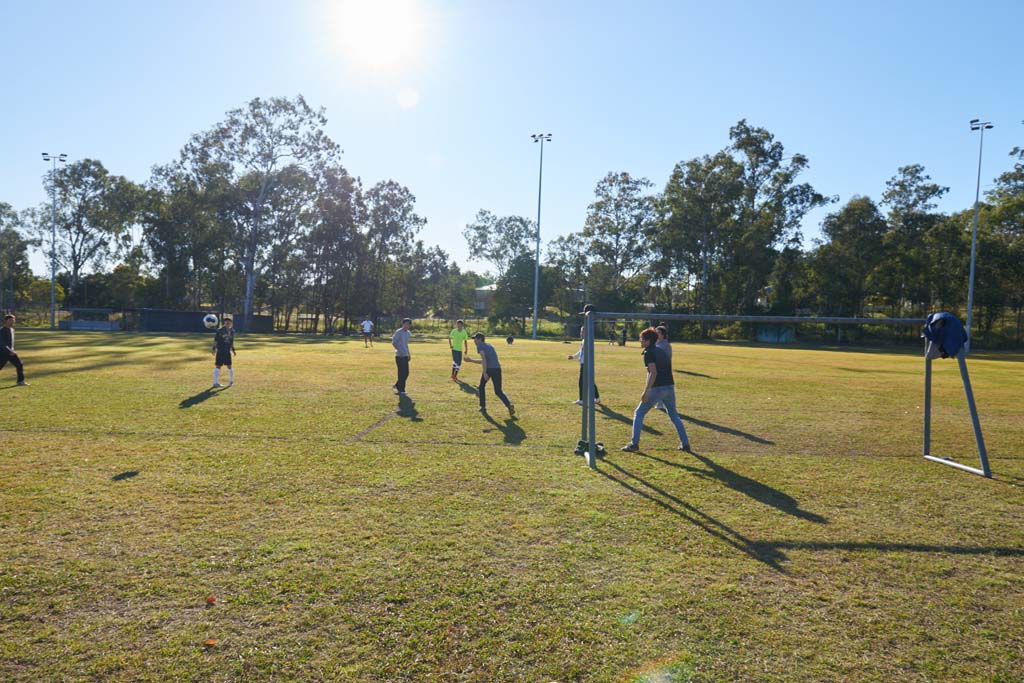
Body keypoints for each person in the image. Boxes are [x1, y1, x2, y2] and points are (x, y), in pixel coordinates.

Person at [621, 326, 691, 453]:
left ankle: (634, 443)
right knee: (674, 415)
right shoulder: (661, 351)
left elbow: (653, 373)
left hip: (657, 387)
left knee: (639, 413)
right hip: (669, 386)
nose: (640, 341)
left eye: (641, 339)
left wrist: (646, 391)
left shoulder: (649, 353)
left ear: (648, 341)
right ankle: (685, 443)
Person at [464, 332, 515, 416]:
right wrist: (471, 360)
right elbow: (486, 360)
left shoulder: (480, 346)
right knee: (498, 391)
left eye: (475, 339)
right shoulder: (490, 346)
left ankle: (482, 406)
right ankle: (509, 405)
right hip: (497, 369)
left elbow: (484, 359)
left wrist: (484, 373)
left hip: (489, 369)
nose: (474, 341)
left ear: (480, 339)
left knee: (481, 387)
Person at [567, 325, 601, 406]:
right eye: (581, 331)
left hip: (586, 364)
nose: (581, 333)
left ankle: (582, 400)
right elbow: (580, 352)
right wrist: (573, 356)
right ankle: (597, 398)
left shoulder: (588, 341)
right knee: (590, 382)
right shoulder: (584, 341)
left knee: (581, 382)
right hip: (584, 363)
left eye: (582, 331)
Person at [0, 314, 28, 386]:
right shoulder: (2, 330)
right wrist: (10, 350)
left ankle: (20, 381)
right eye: (10, 320)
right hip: (3, 353)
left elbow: (10, 342)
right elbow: (2, 343)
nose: (12, 322)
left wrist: (12, 350)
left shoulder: (12, 330)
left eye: (13, 320)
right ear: (6, 321)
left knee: (19, 364)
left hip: (11, 352)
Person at [211, 317, 236, 388]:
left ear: (231, 323)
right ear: (224, 323)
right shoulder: (220, 331)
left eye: (229, 322)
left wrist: (233, 350)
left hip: (227, 351)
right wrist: (213, 349)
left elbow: (231, 341)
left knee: (229, 366)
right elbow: (215, 341)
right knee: (218, 366)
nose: (228, 323)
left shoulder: (232, 331)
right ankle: (215, 383)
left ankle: (231, 382)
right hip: (221, 351)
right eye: (226, 322)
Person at [391, 318, 412, 395]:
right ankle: (401, 389)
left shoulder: (408, 333)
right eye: (405, 323)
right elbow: (393, 342)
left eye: (408, 324)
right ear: (402, 324)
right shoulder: (398, 332)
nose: (407, 325)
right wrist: (399, 350)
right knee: (401, 373)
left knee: (406, 373)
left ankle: (397, 385)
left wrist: (409, 354)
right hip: (399, 356)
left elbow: (406, 345)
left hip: (405, 355)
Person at [654, 325, 672, 411]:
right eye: (656, 332)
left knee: (660, 387)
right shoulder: (657, 343)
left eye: (659, 333)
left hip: (662, 369)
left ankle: (660, 403)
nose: (657, 334)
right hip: (657, 368)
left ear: (663, 334)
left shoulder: (665, 344)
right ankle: (659, 403)